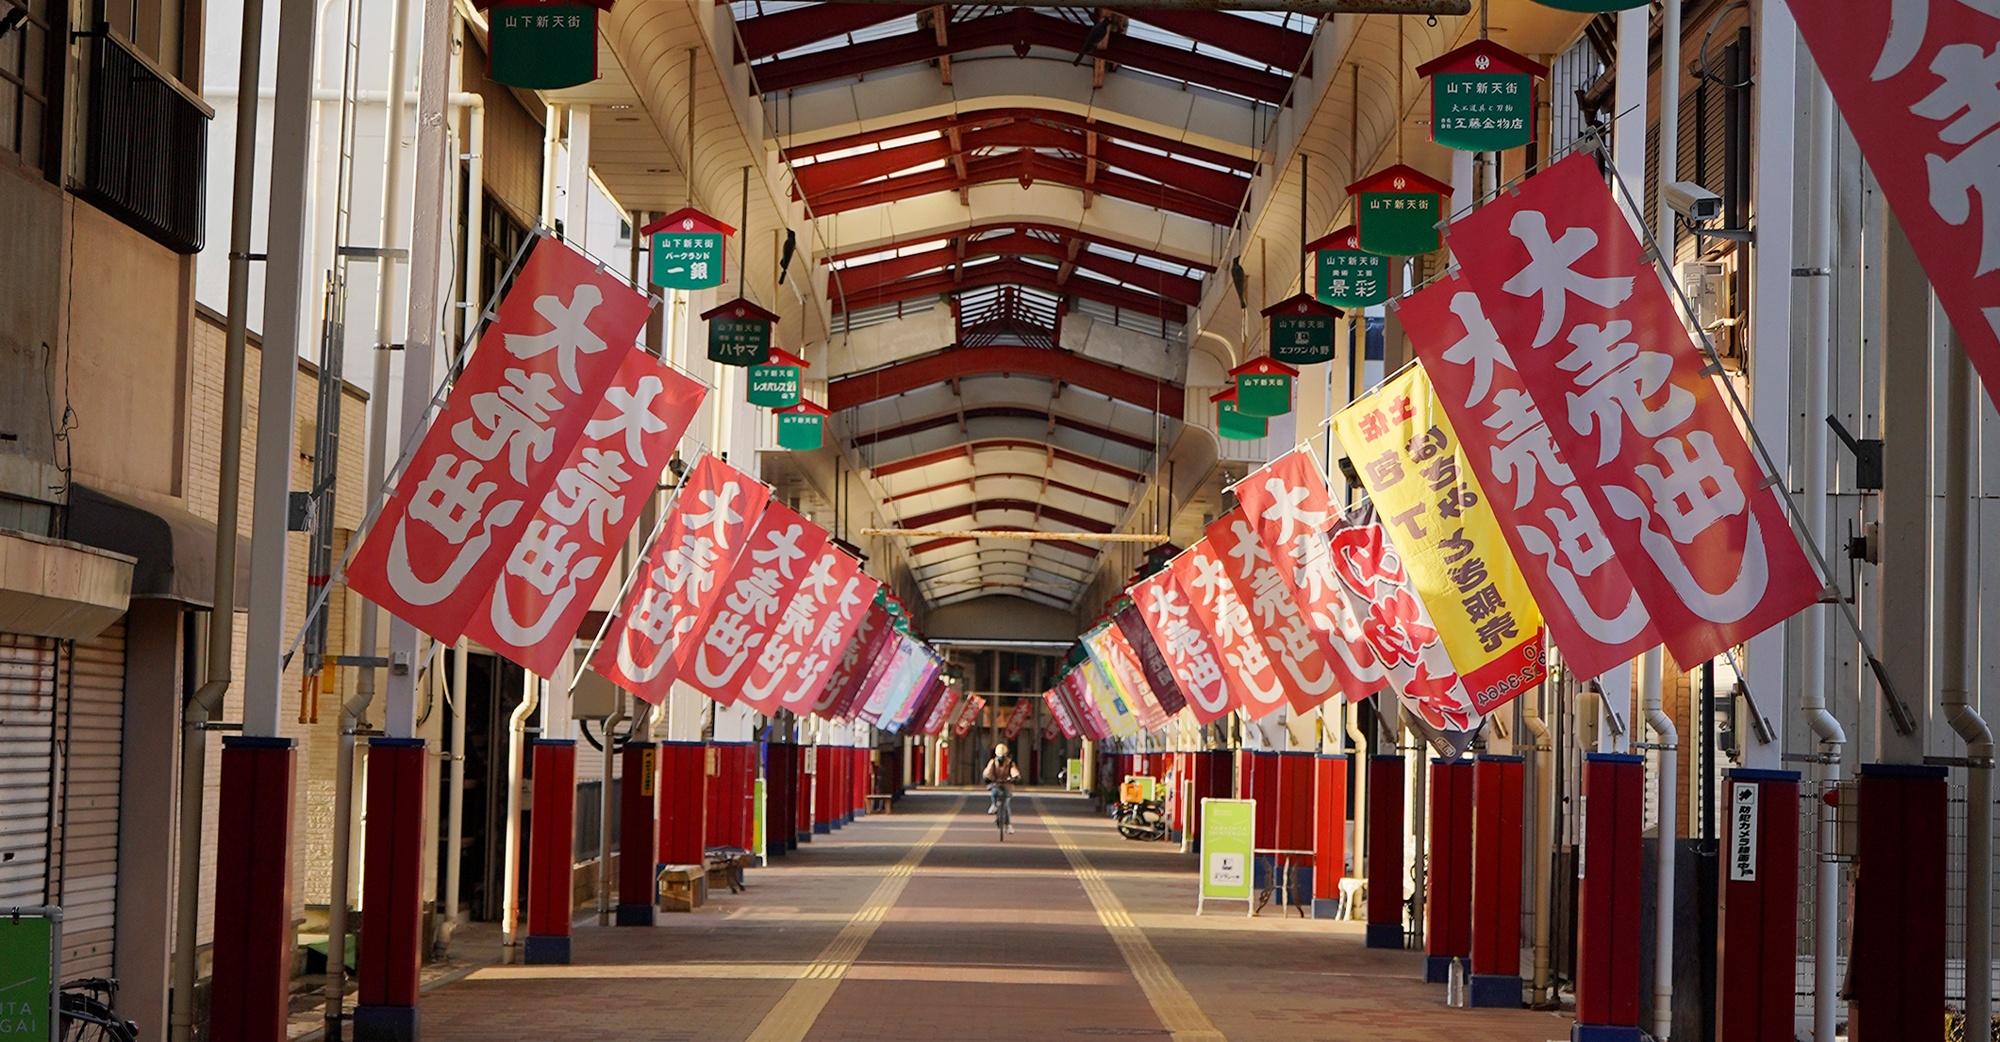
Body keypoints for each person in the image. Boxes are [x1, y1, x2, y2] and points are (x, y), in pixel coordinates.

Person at [983, 744, 1020, 835]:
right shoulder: (993, 762)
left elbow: (1014, 772)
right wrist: (987, 777)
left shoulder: (1010, 763)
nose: (1001, 759)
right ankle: (994, 805)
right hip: (996, 783)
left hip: (1007, 785)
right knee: (994, 792)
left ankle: (1008, 825)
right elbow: (988, 771)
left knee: (1006, 803)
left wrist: (1015, 777)